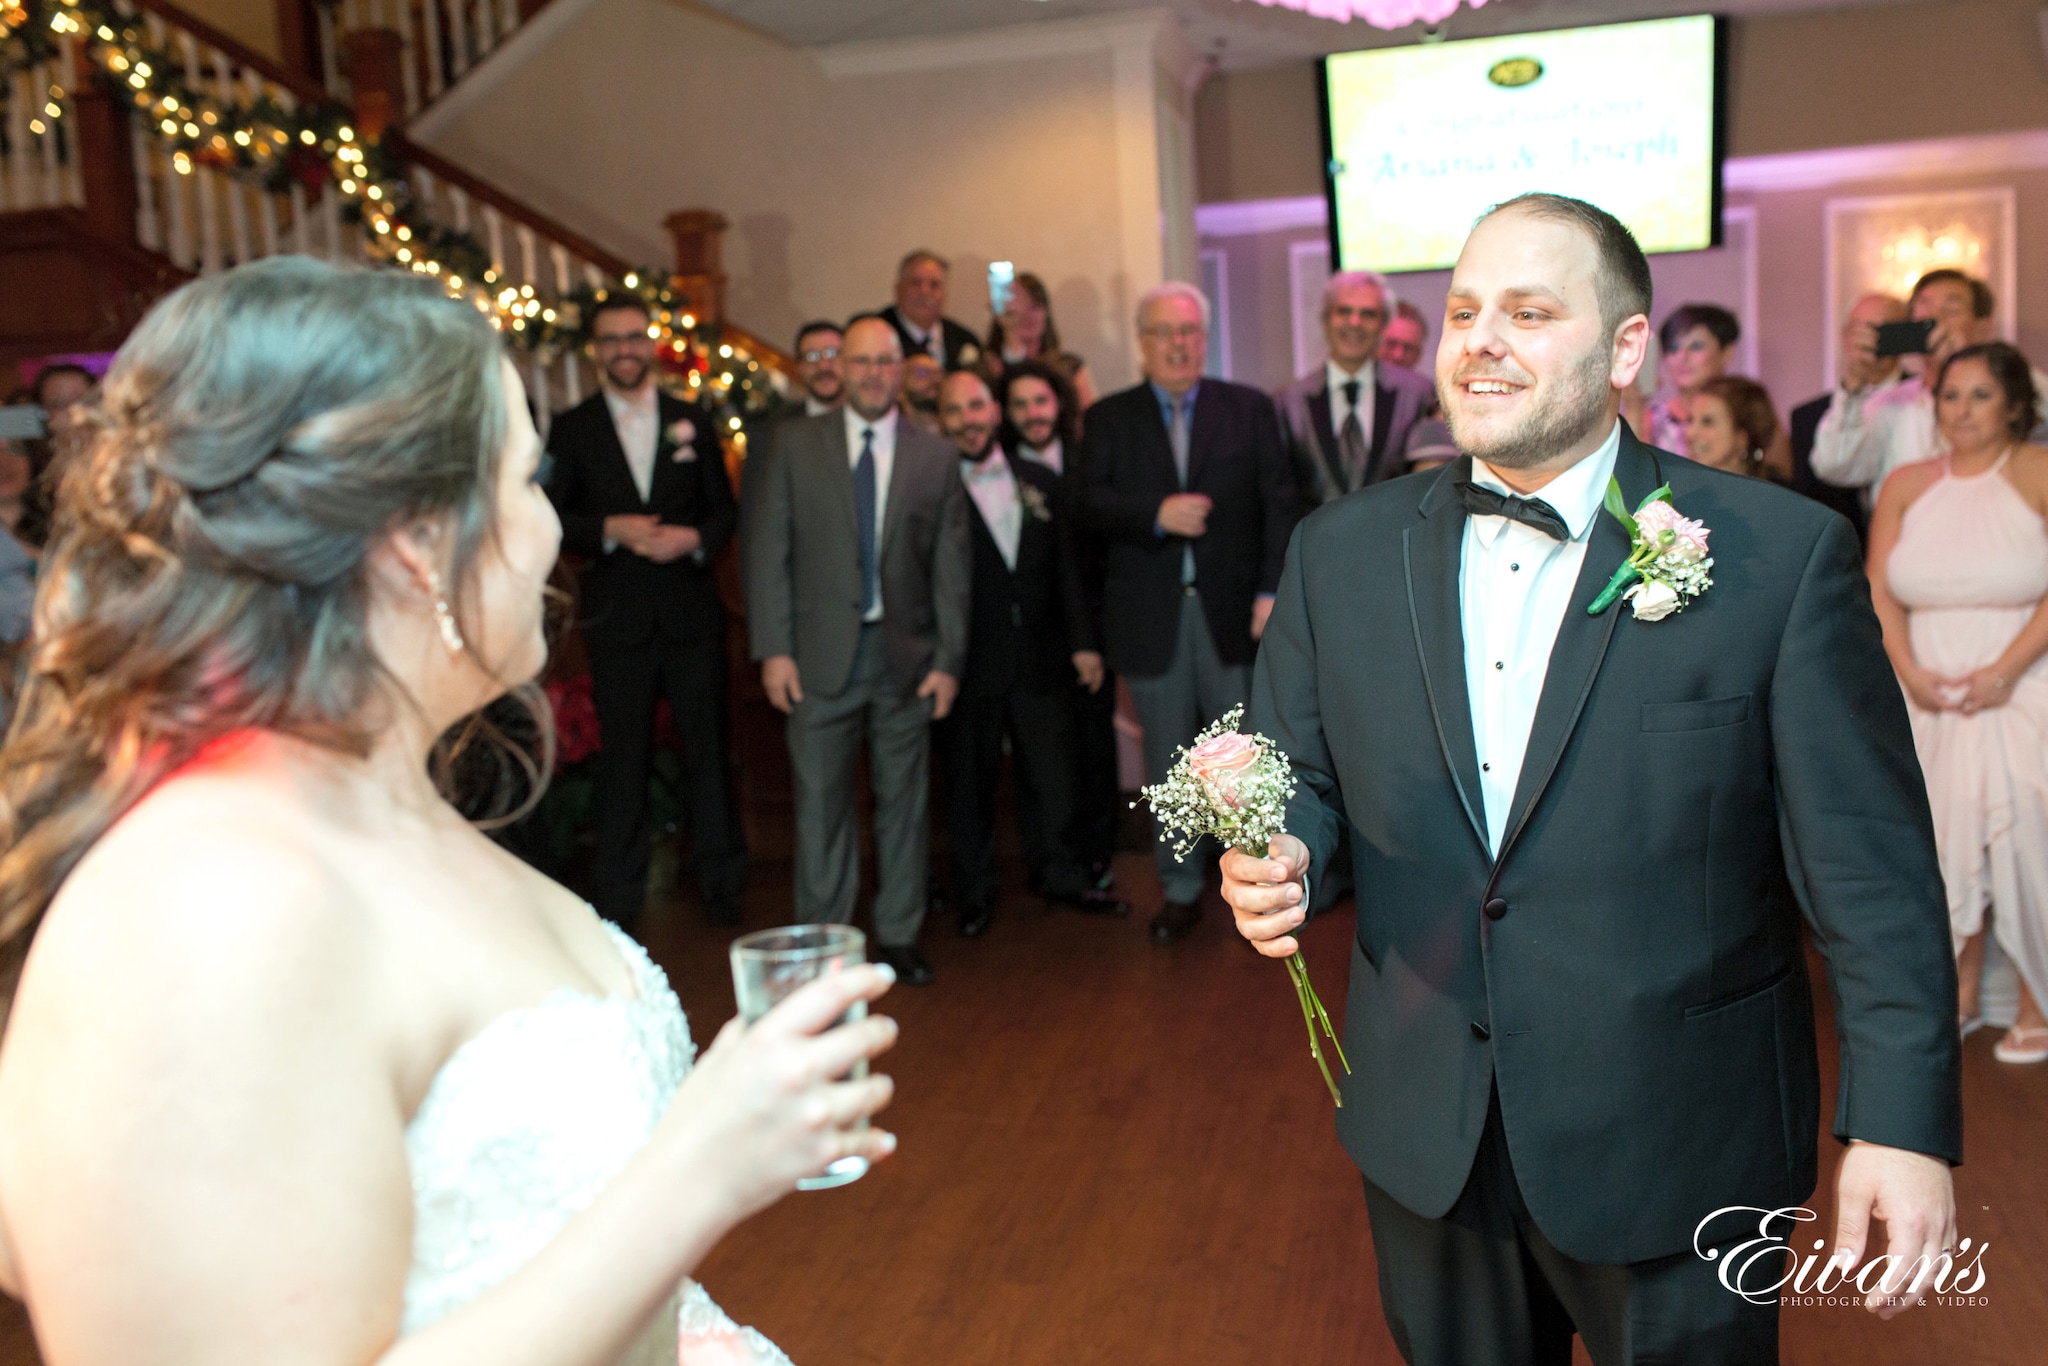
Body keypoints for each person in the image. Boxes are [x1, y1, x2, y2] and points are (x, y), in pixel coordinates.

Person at [0, 256, 899, 1366]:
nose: (547, 530)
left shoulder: (389, 813)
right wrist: (696, 1169)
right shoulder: (209, 905)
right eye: (527, 482)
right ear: (416, 540)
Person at [1226, 192, 1960, 1364]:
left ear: (1625, 349)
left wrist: (1901, 1123)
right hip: (1431, 1137)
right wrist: (1290, 852)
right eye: (1464, 308)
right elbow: (1296, 769)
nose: (1479, 338)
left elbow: (1868, 872)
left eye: (1526, 310)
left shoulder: (1776, 557)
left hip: (1680, 1144)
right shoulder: (1337, 552)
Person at [741, 314, 970, 986]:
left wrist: (949, 661)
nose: (874, 374)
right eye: (861, 361)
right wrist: (774, 651)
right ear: (841, 368)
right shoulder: (792, 445)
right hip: (816, 662)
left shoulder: (935, 454)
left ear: (902, 370)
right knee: (821, 807)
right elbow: (767, 554)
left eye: (886, 362)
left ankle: (898, 937)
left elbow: (952, 571)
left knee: (904, 805)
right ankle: (827, 950)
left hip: (906, 660)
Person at [1080, 281, 1298, 945]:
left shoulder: (1249, 409)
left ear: (1205, 339)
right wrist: (1153, 515)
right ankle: (1179, 888)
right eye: (1163, 333)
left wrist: (1270, 593)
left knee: (1238, 763)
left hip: (1235, 615)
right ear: (1143, 344)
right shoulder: (1108, 419)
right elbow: (1085, 506)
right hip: (1150, 624)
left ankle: (1255, 887)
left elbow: (1280, 503)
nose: (1177, 344)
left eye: (1188, 332)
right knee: (1170, 767)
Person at [1868, 340, 2048, 1066]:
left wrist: (2005, 672)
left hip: (2025, 674)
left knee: (2025, 824)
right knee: (1939, 838)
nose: (1963, 410)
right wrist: (1907, 671)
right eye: (1951, 395)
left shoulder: (2036, 469)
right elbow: (1879, 585)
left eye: (1980, 394)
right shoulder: (1907, 483)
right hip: (1929, 686)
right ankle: (1964, 990)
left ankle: (2038, 996)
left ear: (2013, 402)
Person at [545, 294, 747, 931]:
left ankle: (723, 884)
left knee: (708, 754)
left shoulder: (692, 419)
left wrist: (694, 541)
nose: (624, 350)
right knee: (623, 761)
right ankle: (619, 898)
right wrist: (608, 529)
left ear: (652, 345)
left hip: (691, 617)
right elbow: (549, 513)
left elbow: (723, 512)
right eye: (611, 341)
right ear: (596, 351)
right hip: (619, 622)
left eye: (634, 338)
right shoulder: (573, 428)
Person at [936, 371, 1124, 934]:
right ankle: (975, 892)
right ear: (941, 421)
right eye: (954, 410)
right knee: (969, 782)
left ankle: (1061, 877)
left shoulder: (1039, 479)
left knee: (1053, 775)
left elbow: (1065, 567)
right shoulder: (933, 483)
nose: (968, 419)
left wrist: (1084, 645)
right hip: (968, 661)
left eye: (976, 406)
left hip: (1041, 655)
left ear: (995, 412)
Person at [1004, 360, 1121, 884]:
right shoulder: (1000, 471)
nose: (1033, 414)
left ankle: (1100, 854)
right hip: (1033, 637)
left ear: (1059, 404)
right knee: (1048, 759)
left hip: (1095, 624)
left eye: (1042, 401)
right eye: (1021, 404)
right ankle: (1054, 860)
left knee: (1096, 746)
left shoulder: (1087, 459)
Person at [1811, 270, 2047, 503]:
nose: (1935, 320)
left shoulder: (2008, 391)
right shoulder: (1890, 403)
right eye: (1924, 308)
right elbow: (1834, 465)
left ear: (1981, 328)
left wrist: (1968, 366)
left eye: (1951, 310)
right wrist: (1853, 385)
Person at [1274, 271, 1442, 510]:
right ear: (1326, 319)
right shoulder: (1287, 404)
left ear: (1383, 324)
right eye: (1343, 311)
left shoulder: (1419, 395)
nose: (1354, 322)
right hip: (1316, 543)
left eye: (1368, 314)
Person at [1787, 293, 1904, 542]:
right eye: (1863, 330)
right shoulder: (1808, 417)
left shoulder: (1925, 400)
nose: (1872, 339)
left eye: (1884, 330)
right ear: (1845, 337)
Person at [984, 270, 1098, 410]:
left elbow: (1090, 416)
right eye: (1020, 306)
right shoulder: (988, 368)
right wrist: (1011, 336)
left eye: (1035, 307)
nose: (1027, 316)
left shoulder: (1069, 367)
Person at [879, 249, 981, 373]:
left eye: (934, 285)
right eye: (916, 283)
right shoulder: (876, 333)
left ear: (945, 294)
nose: (925, 292)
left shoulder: (964, 340)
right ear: (898, 289)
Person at [1683, 374, 1782, 479]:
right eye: (1690, 420)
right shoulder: (1674, 491)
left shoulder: (1778, 494)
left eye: (1708, 422)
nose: (1690, 433)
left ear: (1742, 438)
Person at [791, 320, 845, 417]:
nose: (823, 366)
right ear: (799, 367)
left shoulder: (874, 418)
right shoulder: (781, 428)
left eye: (831, 353)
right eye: (811, 356)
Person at [899, 351, 944, 436]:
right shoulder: (891, 435)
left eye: (938, 373)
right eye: (923, 373)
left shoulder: (952, 434)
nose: (936, 380)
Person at [1378, 298, 1431, 371]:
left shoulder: (1425, 382)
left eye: (1408, 349)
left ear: (1417, 356)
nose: (1398, 355)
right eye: (1391, 344)